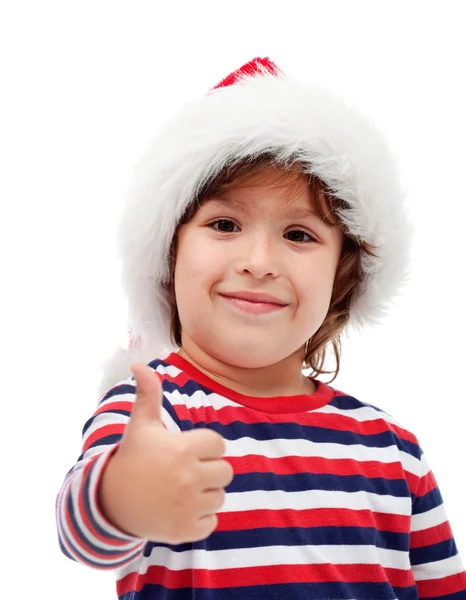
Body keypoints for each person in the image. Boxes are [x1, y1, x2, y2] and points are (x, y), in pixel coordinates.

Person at [55, 57, 466, 599]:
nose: (258, 261)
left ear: (343, 276)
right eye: (224, 224)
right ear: (168, 256)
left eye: (299, 235)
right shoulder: (153, 415)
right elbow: (84, 533)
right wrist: (126, 493)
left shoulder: (394, 451)